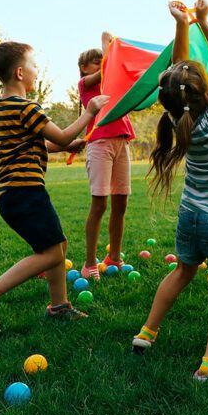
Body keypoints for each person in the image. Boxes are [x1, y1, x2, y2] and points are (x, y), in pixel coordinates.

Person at [131, 0, 208, 381]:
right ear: (203, 92)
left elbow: (175, 74)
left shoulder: (176, 118)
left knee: (182, 271)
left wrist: (183, 24)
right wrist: (204, 21)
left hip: (190, 215)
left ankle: (147, 333)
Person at [0, 41, 108, 333]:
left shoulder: (4, 107)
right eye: (33, 66)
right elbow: (63, 136)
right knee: (53, 253)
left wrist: (65, 145)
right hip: (25, 190)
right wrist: (90, 111)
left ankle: (59, 307)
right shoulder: (25, 107)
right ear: (19, 72)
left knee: (57, 245)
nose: (36, 72)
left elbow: (41, 143)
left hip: (13, 193)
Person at [76, 32, 135, 281]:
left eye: (103, 59)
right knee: (100, 204)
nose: (102, 63)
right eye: (96, 62)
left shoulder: (113, 82)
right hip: (99, 144)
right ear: (83, 69)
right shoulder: (86, 85)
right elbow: (106, 70)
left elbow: (126, 78)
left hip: (122, 142)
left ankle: (114, 257)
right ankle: (90, 263)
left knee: (121, 203)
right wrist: (108, 48)